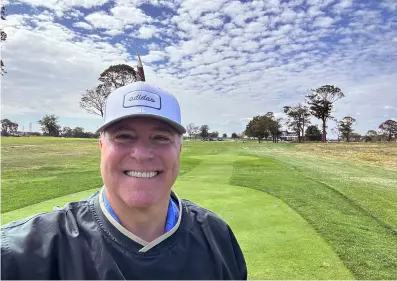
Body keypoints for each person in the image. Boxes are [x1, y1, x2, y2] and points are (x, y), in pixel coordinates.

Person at [1, 82, 247, 280]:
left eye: (160, 137)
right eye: (124, 136)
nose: (141, 154)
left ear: (179, 151)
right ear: (101, 147)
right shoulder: (22, 254)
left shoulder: (218, 236)